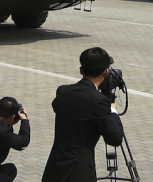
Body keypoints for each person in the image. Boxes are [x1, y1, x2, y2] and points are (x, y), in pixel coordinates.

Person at [42, 47, 124, 182]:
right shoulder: (99, 101)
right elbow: (115, 138)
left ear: (81, 70)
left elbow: (58, 106)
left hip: (55, 168)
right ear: (105, 72)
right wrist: (113, 109)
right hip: (79, 172)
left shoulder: (63, 91)